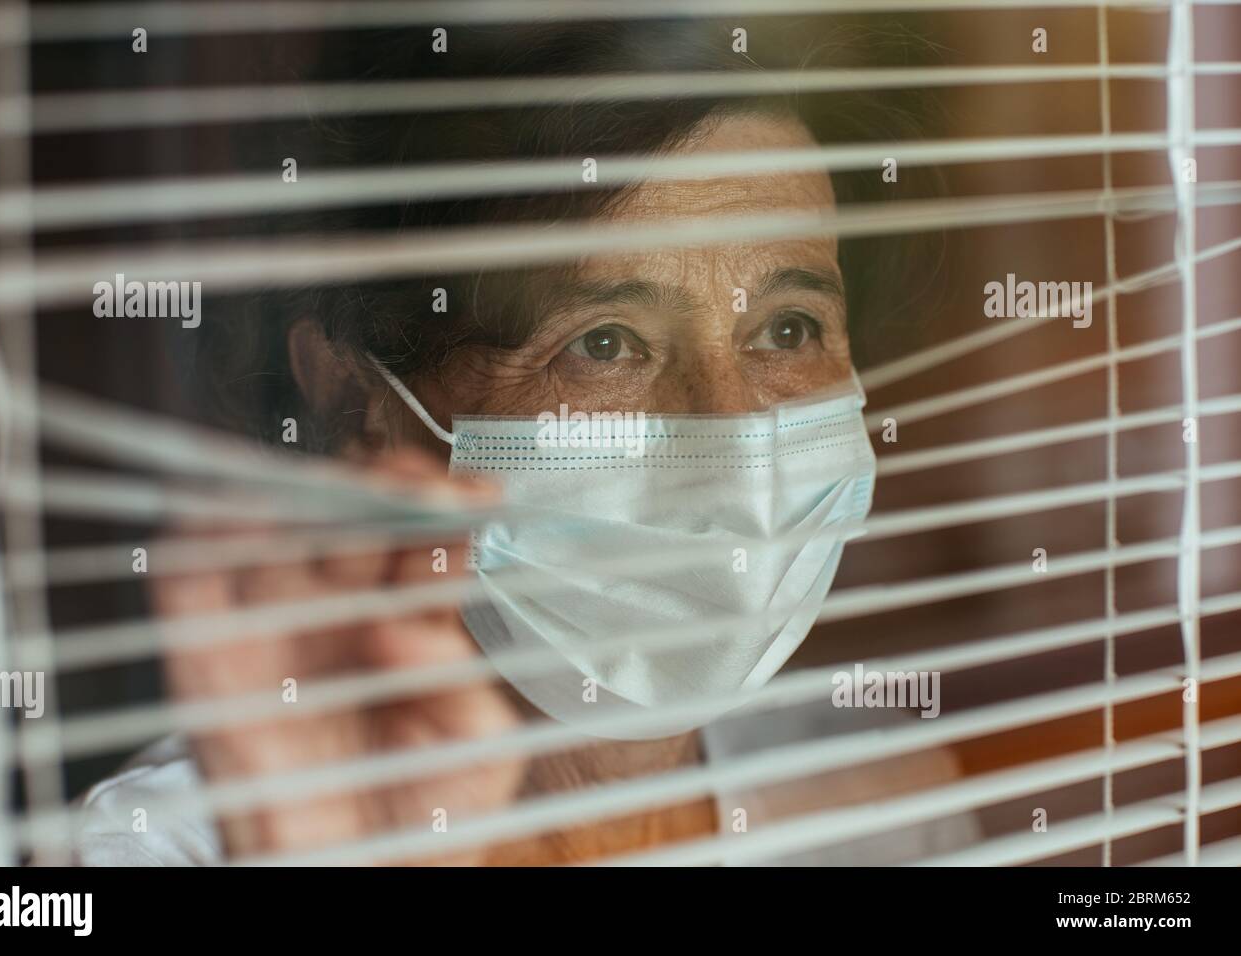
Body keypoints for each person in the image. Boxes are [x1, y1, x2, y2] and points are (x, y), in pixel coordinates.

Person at [66, 20, 977, 866]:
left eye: (787, 330)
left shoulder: (881, 802)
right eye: (605, 343)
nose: (736, 437)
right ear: (353, 395)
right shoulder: (171, 845)